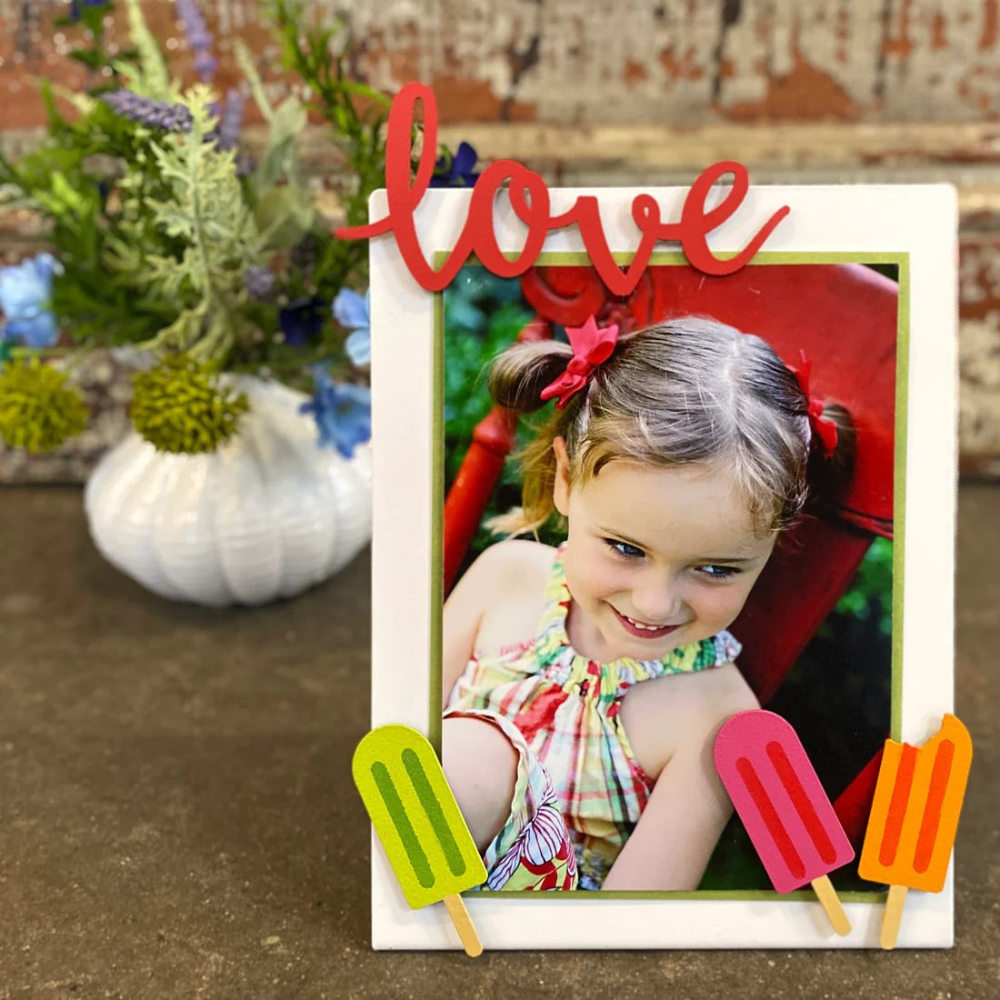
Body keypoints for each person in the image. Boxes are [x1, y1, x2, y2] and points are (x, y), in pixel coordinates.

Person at [441, 314, 853, 892]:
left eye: (715, 568)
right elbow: (392, 735)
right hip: (405, 866)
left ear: (773, 543)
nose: (656, 603)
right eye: (624, 548)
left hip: (547, 942)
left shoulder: (717, 719)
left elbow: (635, 915)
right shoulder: (506, 578)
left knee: (464, 758)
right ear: (565, 479)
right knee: (456, 755)